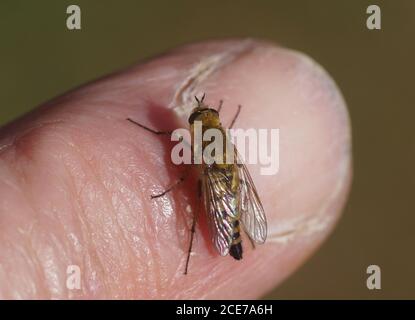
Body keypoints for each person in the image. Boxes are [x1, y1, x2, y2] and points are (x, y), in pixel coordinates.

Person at [0, 39, 352, 299]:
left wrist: (172, 182)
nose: (204, 115)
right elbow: (229, 169)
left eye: (206, 116)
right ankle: (233, 234)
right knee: (222, 184)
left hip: (222, 185)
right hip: (230, 177)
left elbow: (193, 170)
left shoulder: (200, 139)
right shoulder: (217, 140)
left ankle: (207, 243)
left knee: (202, 189)